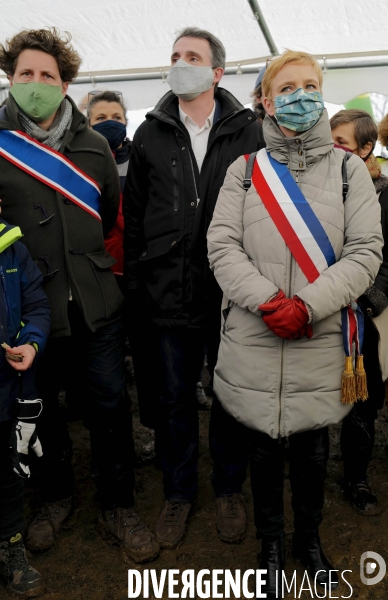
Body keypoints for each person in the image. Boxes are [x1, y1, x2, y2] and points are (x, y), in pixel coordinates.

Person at [207, 50, 383, 597]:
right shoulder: (244, 170)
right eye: (288, 87)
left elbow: (365, 251)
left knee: (311, 448)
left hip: (320, 333)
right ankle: (272, 547)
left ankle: (309, 542)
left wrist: (305, 306)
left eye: (311, 85)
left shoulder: (351, 170)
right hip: (256, 332)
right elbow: (221, 244)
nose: (300, 95)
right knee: (261, 447)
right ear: (266, 99)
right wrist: (268, 302)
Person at [0, 28, 159, 564]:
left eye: (48, 75)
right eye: (27, 74)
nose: (37, 83)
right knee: (41, 410)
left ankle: (119, 504)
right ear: (11, 77)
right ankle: (55, 497)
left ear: (65, 82)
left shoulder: (93, 145)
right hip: (30, 313)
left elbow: (109, 213)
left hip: (97, 304)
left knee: (111, 407)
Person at [124, 26, 264, 549]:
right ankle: (178, 492)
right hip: (165, 291)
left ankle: (229, 488)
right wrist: (138, 285)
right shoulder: (151, 132)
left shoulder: (249, 132)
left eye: (193, 57)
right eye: (175, 55)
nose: (181, 63)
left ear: (217, 72)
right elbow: (134, 215)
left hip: (232, 295)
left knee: (230, 395)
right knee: (174, 398)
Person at [330, 109, 388, 515]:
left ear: (367, 148)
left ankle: (356, 477)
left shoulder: (385, 193)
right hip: (320, 310)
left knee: (362, 398)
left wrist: (370, 295)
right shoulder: (319, 189)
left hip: (364, 313)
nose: (332, 152)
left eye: (342, 145)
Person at [0, 217, 50, 598]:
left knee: (8, 472)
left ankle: (10, 546)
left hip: (7, 392)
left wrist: (31, 344)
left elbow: (36, 306)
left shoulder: (13, 249)